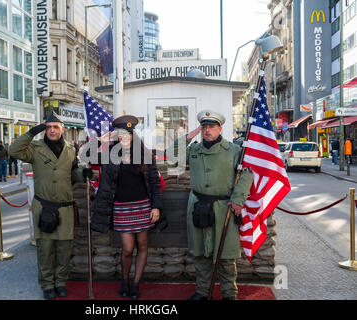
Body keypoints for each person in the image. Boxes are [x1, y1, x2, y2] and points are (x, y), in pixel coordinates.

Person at [169, 110, 253, 300]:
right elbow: (172, 155)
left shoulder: (233, 150)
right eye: (204, 127)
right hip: (198, 205)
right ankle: (202, 292)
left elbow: (247, 174)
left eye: (211, 126)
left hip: (224, 208)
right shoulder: (194, 150)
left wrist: (238, 200)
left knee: (226, 257)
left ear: (220, 128)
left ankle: (229, 294)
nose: (207, 130)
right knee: (201, 254)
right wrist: (191, 135)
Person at [9, 112, 88, 300]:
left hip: (65, 207)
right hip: (44, 207)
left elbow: (72, 172)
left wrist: (83, 174)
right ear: (45, 129)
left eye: (56, 127)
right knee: (45, 249)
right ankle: (46, 284)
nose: (52, 130)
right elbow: (14, 151)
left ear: (63, 129)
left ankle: (60, 282)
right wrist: (30, 133)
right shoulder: (35, 148)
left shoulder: (70, 150)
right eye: (49, 127)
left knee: (64, 249)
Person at [87, 115, 165, 299]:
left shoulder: (145, 155)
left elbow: (154, 183)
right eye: (120, 134)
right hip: (121, 208)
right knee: (128, 249)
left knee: (143, 246)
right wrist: (100, 140)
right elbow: (87, 155)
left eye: (127, 134)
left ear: (133, 135)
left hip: (143, 206)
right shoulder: (109, 154)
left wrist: (156, 207)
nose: (124, 137)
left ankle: (136, 284)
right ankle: (124, 280)